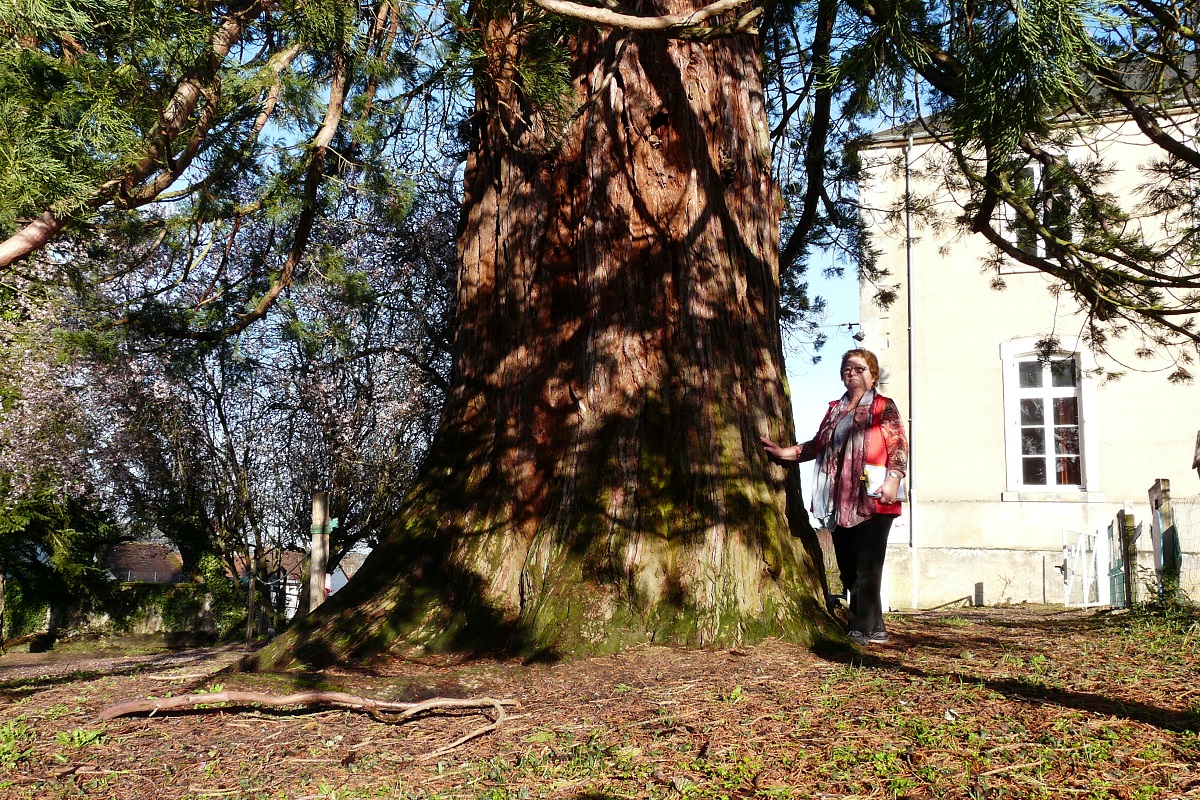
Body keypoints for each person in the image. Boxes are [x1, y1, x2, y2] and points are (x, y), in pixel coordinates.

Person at [760, 348, 908, 646]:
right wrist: (783, 453)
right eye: (847, 369)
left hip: (874, 497)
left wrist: (894, 479)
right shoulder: (835, 410)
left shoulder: (883, 406)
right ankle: (877, 627)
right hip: (838, 501)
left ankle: (859, 627)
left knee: (868, 567)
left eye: (859, 368)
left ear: (872, 374)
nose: (852, 373)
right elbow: (818, 445)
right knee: (848, 566)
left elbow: (898, 444)